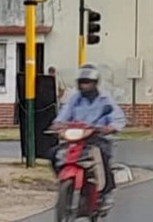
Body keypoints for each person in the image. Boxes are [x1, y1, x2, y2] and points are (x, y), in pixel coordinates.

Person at [52, 64, 126, 211]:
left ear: (95, 83)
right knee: (54, 153)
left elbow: (117, 116)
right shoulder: (75, 99)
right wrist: (58, 124)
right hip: (76, 138)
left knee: (103, 158)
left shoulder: (105, 99)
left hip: (97, 138)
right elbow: (64, 114)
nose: (84, 86)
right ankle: (65, 185)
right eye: (81, 82)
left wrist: (111, 127)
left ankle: (106, 194)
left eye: (87, 82)